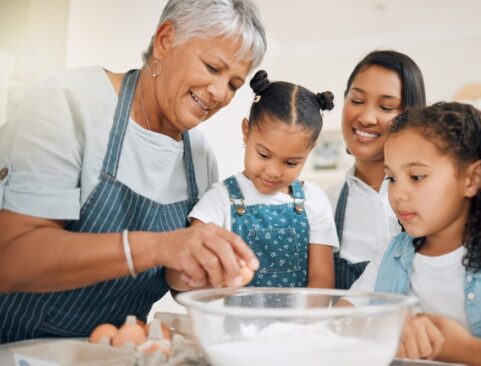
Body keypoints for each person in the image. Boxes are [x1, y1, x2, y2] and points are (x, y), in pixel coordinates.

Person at [0, 0, 267, 343]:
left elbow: (177, 277)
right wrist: (159, 246)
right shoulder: (71, 102)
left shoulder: (200, 156)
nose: (219, 94)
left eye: (233, 84)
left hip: (116, 354)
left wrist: (213, 273)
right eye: (212, 67)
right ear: (165, 40)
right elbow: (11, 257)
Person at [351, 102, 481, 365]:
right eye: (392, 178)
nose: (398, 194)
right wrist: (385, 328)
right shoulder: (392, 255)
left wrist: (467, 349)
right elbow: (344, 318)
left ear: (471, 179)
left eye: (417, 176)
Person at [166, 70, 339, 290]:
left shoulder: (313, 200)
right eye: (264, 155)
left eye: (291, 163)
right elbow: (177, 275)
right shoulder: (220, 199)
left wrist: (299, 324)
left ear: (310, 151)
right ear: (246, 132)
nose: (274, 172)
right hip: (236, 324)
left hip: (299, 323)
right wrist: (194, 276)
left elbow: (322, 281)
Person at [326, 50, 426, 289]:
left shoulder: (432, 199)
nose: (367, 117)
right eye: (357, 100)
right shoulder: (324, 206)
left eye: (386, 106)